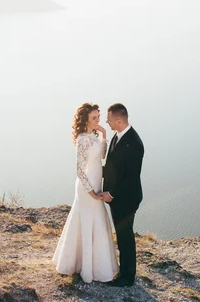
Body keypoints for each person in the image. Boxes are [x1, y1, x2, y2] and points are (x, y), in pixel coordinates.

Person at [52, 103, 119, 283]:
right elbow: (80, 171)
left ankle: (97, 266)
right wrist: (91, 193)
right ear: (85, 121)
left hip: (96, 185)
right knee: (87, 220)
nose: (98, 120)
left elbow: (102, 156)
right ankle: (83, 267)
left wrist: (104, 134)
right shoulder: (82, 140)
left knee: (97, 222)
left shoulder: (94, 136)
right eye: (94, 118)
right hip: (86, 189)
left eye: (98, 116)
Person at [101, 103, 145, 287]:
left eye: (108, 119)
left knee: (125, 237)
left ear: (118, 120)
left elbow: (131, 178)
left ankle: (127, 277)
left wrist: (111, 193)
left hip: (126, 199)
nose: (107, 122)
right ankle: (125, 271)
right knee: (121, 235)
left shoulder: (134, 143)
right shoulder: (117, 136)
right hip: (116, 199)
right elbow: (113, 167)